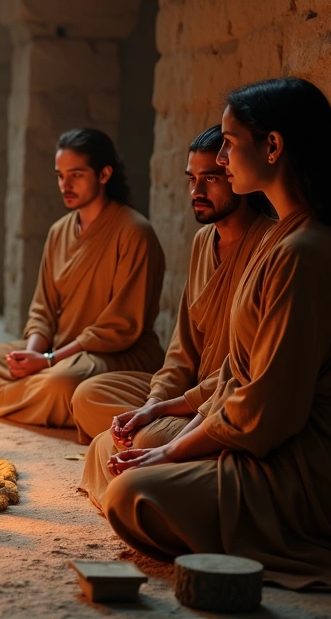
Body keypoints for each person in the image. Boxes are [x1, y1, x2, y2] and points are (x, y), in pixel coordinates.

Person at [102, 78, 331, 590]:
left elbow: (268, 406)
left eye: (229, 142)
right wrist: (169, 410)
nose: (220, 159)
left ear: (273, 146)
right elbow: (236, 371)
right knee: (133, 460)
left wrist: (172, 451)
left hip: (308, 450)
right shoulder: (284, 238)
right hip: (256, 424)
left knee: (132, 494)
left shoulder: (303, 251)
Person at [76, 126, 273, 504]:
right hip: (187, 395)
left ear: (236, 176)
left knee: (139, 438)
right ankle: (146, 455)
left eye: (211, 179)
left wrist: (165, 411)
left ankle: (151, 460)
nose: (197, 192)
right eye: (192, 179)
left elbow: (246, 372)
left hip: (225, 402)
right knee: (89, 393)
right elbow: (182, 349)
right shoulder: (203, 242)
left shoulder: (272, 245)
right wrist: (153, 403)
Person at [0, 128, 165, 427]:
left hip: (113, 353)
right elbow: (43, 309)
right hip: (58, 349)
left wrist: (50, 360)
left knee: (61, 384)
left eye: (76, 174)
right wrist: (30, 355)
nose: (65, 184)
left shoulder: (134, 232)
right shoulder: (58, 232)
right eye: (60, 175)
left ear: (104, 174)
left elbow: (119, 327)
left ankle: (27, 401)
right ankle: (43, 405)